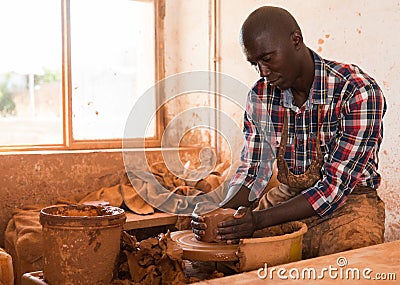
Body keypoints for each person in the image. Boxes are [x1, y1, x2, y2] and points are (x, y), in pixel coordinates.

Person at [191, 6, 386, 259]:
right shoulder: (261, 96)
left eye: (268, 59)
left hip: (350, 203)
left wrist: (258, 221)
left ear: (296, 40)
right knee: (227, 254)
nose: (263, 71)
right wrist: (219, 214)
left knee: (349, 266)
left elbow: (333, 188)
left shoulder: (357, 92)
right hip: (287, 198)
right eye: (255, 63)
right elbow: (253, 173)